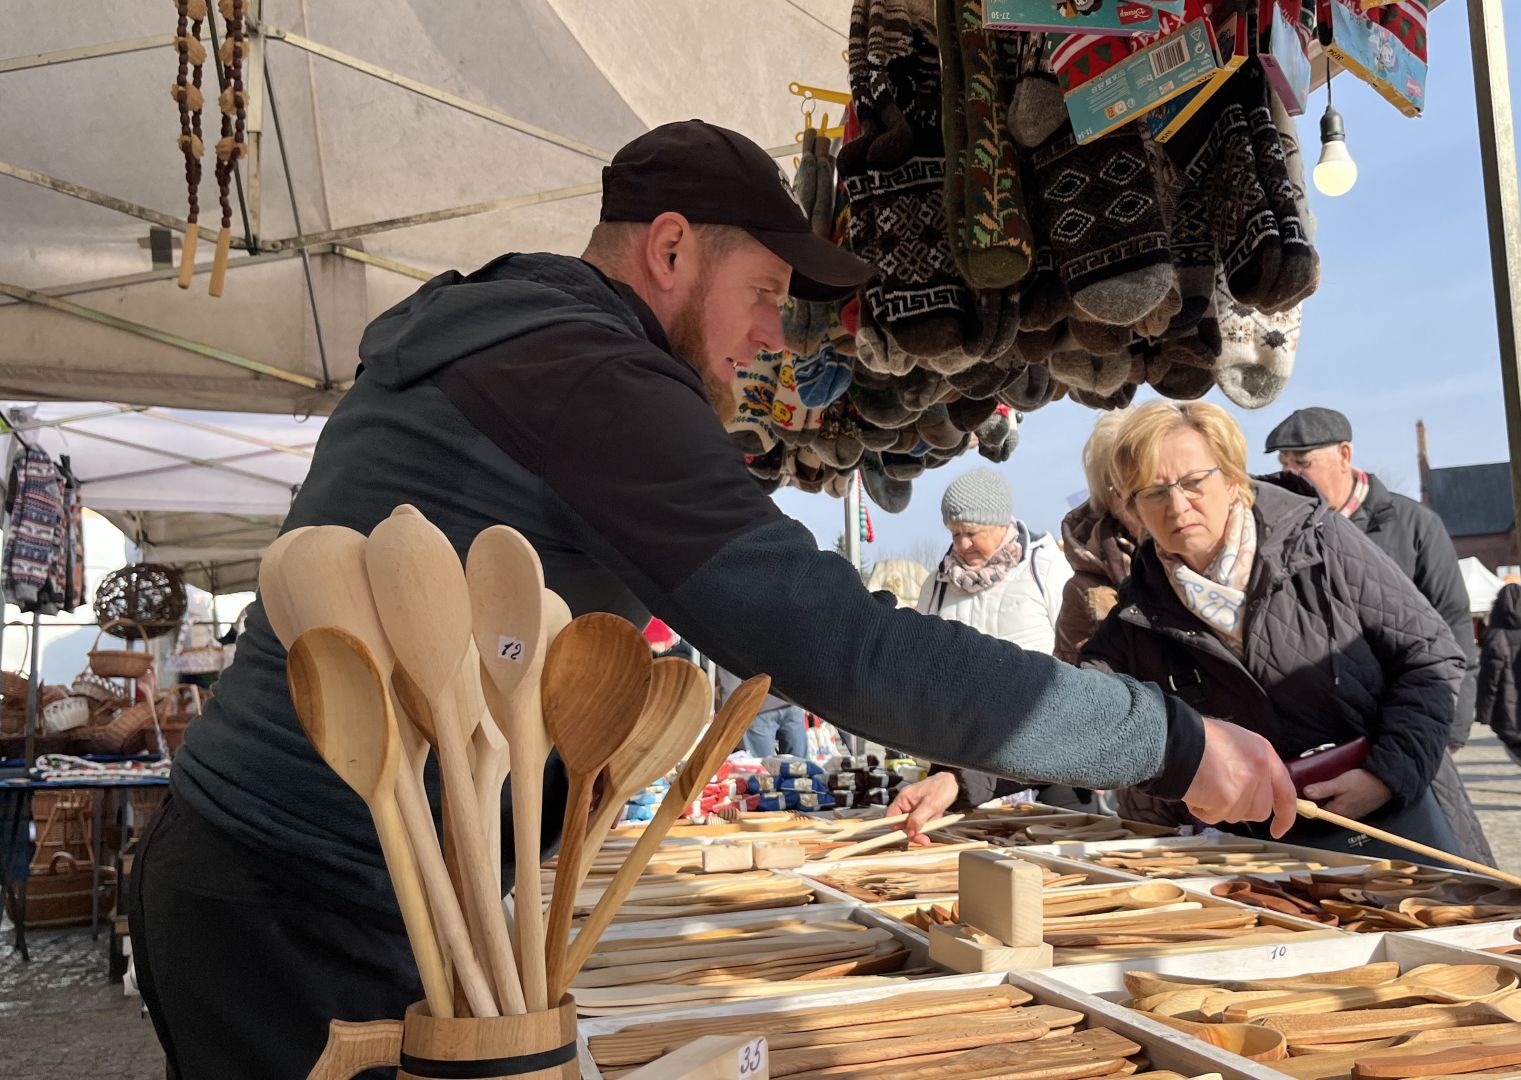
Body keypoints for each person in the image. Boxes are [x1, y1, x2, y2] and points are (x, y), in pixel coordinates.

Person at [129, 120, 1294, 1078]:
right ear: (671, 250)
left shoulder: (495, 332)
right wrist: (1170, 742)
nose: (772, 338)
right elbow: (844, 648)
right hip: (305, 904)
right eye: (763, 293)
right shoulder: (593, 378)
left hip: (273, 877)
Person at [1080, 402, 1467, 855]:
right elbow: (1079, 706)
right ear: (1132, 509)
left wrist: (1385, 776)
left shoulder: (1321, 542)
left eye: (1193, 482)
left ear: (1231, 478)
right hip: (1268, 858)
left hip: (1400, 826)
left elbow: (1431, 655)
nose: (1177, 505)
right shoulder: (1138, 614)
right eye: (1154, 492)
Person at [1264, 406, 1494, 865]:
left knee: (1435, 862)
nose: (1290, 474)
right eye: (1285, 463)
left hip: (1408, 720)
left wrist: (1450, 728)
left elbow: (1451, 626)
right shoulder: (1287, 533)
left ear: (1345, 455)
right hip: (1330, 738)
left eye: (1303, 463)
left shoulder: (1414, 524)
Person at [913, 468, 1083, 810]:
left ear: (1001, 523)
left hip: (1041, 752)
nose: (962, 544)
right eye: (955, 533)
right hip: (960, 757)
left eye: (972, 532)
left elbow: (1078, 653)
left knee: (1056, 836)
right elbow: (920, 663)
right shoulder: (937, 585)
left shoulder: (1045, 568)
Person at [1056, 408, 1139, 665]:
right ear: (1107, 499)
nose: (1141, 501)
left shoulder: (1202, 548)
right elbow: (1072, 678)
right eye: (1122, 487)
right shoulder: (1085, 589)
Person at [1475, 582, 1521, 804]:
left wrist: (1484, 712)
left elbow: (1489, 678)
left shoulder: (1496, 636)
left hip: (1508, 702)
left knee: (1520, 744)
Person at [718, 667, 810, 758]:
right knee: (800, 764)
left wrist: (729, 726)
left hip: (759, 708)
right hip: (790, 702)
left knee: (762, 765)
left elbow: (729, 683)